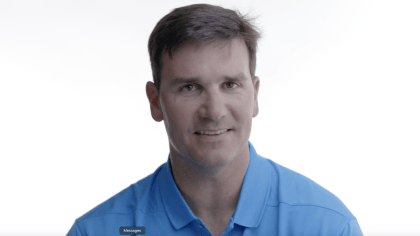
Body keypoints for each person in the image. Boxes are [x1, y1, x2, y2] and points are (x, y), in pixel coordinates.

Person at [67, 4, 363, 236]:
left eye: (230, 85)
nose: (213, 111)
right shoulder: (96, 231)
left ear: (255, 95)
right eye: (189, 87)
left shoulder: (327, 227)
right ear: (155, 102)